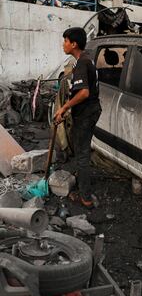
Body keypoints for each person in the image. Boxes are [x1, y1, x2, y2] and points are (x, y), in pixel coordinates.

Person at [54, 27, 101, 209]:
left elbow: (83, 92)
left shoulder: (82, 63)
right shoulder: (85, 60)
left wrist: (65, 107)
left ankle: (86, 198)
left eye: (65, 41)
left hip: (86, 114)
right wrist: (66, 111)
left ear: (74, 44)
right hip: (89, 111)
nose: (63, 44)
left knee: (82, 154)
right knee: (80, 148)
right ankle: (82, 182)